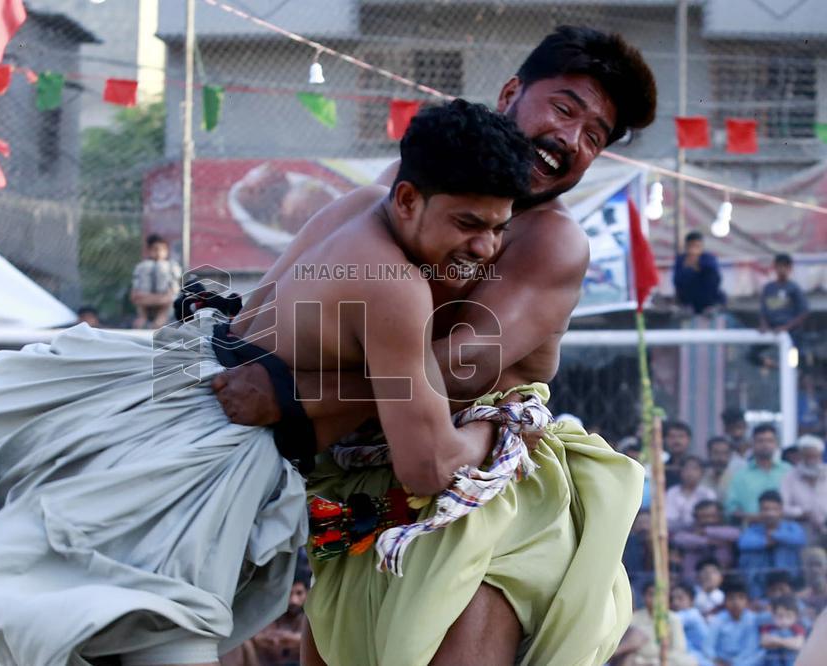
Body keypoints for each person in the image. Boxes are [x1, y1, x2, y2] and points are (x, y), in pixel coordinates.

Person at [0, 100, 537, 666]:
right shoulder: (398, 289)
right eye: (468, 223)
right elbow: (427, 464)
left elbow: (224, 329)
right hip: (213, 452)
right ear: (410, 199)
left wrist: (280, 399)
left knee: (14, 539)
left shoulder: (355, 205)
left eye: (499, 230)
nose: (484, 248)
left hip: (177, 376)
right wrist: (505, 429)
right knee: (144, 622)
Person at [214, 25, 657, 666]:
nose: (571, 140)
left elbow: (459, 364)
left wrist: (296, 399)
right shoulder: (394, 194)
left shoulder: (553, 240)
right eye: (564, 109)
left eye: (595, 136)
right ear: (512, 92)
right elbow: (271, 316)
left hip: (484, 494)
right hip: (363, 491)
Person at [738, 491, 806, 599]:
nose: (770, 513)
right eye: (765, 509)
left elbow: (800, 539)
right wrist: (765, 542)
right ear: (760, 511)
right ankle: (756, 598)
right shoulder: (752, 530)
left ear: (781, 510)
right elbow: (743, 543)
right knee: (749, 555)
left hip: (789, 579)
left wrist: (775, 534)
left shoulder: (792, 527)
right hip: (761, 580)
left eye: (774, 509)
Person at [726, 424, 790, 524]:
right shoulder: (740, 476)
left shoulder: (789, 471)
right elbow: (731, 509)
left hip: (786, 532)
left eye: (770, 441)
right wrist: (754, 518)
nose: (765, 445)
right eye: (760, 441)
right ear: (752, 444)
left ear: (776, 444)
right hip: (751, 532)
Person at [625, 582, 699, 666]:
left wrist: (655, 662)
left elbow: (679, 649)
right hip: (640, 660)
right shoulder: (634, 618)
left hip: (666, 660)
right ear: (644, 596)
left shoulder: (673, 619)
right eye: (651, 594)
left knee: (690, 661)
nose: (655, 598)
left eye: (659, 595)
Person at [671, 500, 739, 583]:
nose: (707, 520)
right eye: (703, 516)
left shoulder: (726, 528)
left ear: (720, 515)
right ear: (695, 516)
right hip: (694, 574)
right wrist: (707, 542)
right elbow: (679, 538)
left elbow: (735, 534)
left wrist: (706, 531)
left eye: (711, 516)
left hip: (724, 573)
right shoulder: (690, 528)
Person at [780, 435, 827, 541]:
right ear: (800, 456)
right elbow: (782, 507)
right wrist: (801, 513)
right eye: (808, 456)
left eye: (815, 456)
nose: (812, 460)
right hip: (800, 532)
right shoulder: (789, 477)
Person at [705, 580, 762, 666]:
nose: (736, 603)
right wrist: (715, 659)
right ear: (725, 601)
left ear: (747, 601)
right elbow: (708, 645)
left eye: (741, 598)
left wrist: (734, 663)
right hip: (721, 661)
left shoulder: (752, 619)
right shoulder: (719, 618)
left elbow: (750, 648)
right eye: (731, 598)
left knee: (761, 654)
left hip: (743, 661)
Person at [130, 234, 182, 329]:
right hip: (144, 305)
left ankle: (158, 322)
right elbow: (134, 295)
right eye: (155, 249)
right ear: (149, 250)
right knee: (140, 323)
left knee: (159, 322)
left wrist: (154, 299)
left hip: (165, 305)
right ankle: (143, 319)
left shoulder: (172, 267)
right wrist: (153, 299)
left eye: (162, 249)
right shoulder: (141, 267)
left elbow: (173, 293)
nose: (159, 252)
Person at [674, 231, 724, 315]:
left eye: (696, 246)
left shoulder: (708, 258)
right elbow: (676, 280)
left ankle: (711, 306)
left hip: (709, 300)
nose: (693, 249)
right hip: (689, 301)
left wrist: (696, 265)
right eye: (691, 246)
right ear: (686, 246)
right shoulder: (681, 260)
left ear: (701, 246)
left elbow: (715, 279)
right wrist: (687, 267)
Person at [759, 254, 807, 342]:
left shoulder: (794, 288)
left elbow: (802, 313)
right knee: (752, 353)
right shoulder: (768, 288)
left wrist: (785, 328)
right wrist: (764, 326)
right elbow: (763, 311)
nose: (782, 269)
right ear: (775, 267)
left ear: (790, 268)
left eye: (785, 266)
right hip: (771, 333)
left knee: (795, 353)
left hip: (791, 334)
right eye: (779, 266)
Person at [667, 456, 717, 532]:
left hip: (704, 533)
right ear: (680, 472)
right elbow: (670, 520)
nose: (690, 473)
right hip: (678, 534)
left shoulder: (708, 493)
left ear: (702, 473)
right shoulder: (672, 492)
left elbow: (712, 519)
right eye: (686, 469)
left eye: (695, 469)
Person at [671, 581, 712, 666]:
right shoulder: (681, 614)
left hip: (702, 659)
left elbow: (668, 621)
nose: (675, 602)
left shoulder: (692, 615)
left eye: (680, 598)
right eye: (672, 599)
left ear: (692, 600)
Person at [758, 596, 805, 666]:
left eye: (789, 616)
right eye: (780, 616)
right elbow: (763, 642)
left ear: (795, 617)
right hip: (771, 661)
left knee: (785, 633)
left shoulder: (796, 628)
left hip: (790, 660)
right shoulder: (769, 627)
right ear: (773, 615)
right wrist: (787, 642)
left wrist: (778, 641)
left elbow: (799, 644)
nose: (784, 620)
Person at [797, 548, 827, 621]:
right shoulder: (799, 596)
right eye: (810, 565)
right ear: (804, 568)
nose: (815, 569)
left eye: (819, 564)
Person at [702, 436, 735, 502]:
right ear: (709, 454)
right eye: (716, 453)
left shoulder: (736, 480)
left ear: (730, 456)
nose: (721, 458)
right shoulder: (700, 479)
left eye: (725, 453)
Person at [665, 421, 695, 488]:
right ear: (666, 440)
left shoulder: (697, 467)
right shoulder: (662, 468)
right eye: (672, 436)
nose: (676, 440)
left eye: (681, 436)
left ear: (689, 439)